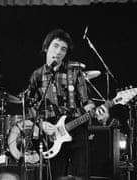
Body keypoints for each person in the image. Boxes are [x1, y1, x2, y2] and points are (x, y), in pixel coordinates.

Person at [25, 29, 109, 180]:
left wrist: (97, 112)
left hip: (77, 127)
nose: (58, 52)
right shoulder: (37, 75)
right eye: (55, 46)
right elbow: (31, 106)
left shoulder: (75, 72)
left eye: (63, 49)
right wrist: (42, 124)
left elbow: (86, 101)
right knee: (57, 176)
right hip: (52, 133)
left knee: (81, 175)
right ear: (46, 48)